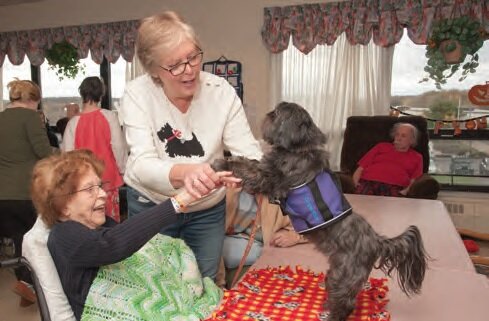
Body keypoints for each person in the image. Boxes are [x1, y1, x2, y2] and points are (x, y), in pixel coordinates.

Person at [119, 11, 262, 280]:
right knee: (157, 286)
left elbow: (249, 153)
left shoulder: (221, 92)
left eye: (193, 57)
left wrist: (251, 174)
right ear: (153, 71)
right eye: (174, 65)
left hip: (206, 210)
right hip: (153, 206)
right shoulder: (138, 94)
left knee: (204, 283)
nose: (189, 70)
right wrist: (187, 173)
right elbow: (140, 165)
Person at [30, 149, 238, 321]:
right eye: (89, 189)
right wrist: (179, 201)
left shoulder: (96, 225)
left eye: (100, 186)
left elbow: (131, 238)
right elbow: (111, 245)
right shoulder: (62, 234)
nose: (102, 194)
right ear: (63, 206)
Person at [0, 79, 52, 306]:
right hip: (26, 191)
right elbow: (43, 151)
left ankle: (26, 286)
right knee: (35, 240)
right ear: (32, 99)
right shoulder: (30, 118)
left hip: (3, 194)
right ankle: (29, 284)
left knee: (17, 238)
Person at [61, 77, 127, 222]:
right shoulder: (110, 117)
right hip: (108, 180)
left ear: (82, 94)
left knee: (86, 222)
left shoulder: (73, 123)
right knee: (110, 224)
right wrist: (123, 170)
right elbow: (119, 148)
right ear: (101, 94)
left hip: (82, 183)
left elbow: (67, 156)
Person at [218, 188, 307, 288]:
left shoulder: (277, 191)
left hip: (265, 257)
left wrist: (295, 236)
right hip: (229, 258)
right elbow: (210, 243)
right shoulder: (222, 191)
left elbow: (316, 224)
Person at [353, 122, 423, 197]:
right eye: (397, 134)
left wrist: (405, 191)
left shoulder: (417, 157)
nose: (399, 138)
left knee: (392, 207)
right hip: (369, 182)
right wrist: (355, 184)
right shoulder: (381, 146)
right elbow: (361, 168)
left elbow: (415, 180)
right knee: (360, 205)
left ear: (412, 140)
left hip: (395, 186)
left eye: (403, 136)